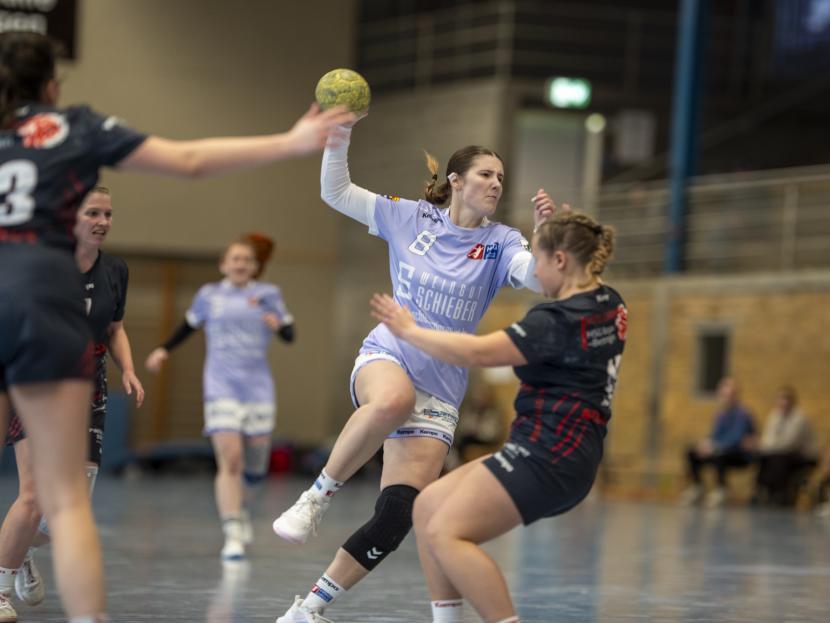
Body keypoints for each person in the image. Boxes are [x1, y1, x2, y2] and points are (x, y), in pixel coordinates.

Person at [0, 31, 351, 623]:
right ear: (53, 85)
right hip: (43, 304)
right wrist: (292, 141)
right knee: (64, 501)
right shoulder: (76, 127)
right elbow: (190, 161)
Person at [271, 109, 560, 623]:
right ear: (456, 180)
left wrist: (543, 236)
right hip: (389, 353)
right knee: (392, 399)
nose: (496, 183)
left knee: (398, 516)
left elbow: (540, 281)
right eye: (486, 174)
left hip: (442, 383)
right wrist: (340, 137)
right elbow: (336, 193)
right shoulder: (410, 217)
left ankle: (308, 609)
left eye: (500, 177)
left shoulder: (501, 242)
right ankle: (315, 498)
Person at [369, 212, 625, 623]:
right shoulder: (610, 303)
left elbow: (476, 353)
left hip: (548, 459)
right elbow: (576, 255)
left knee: (446, 533)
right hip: (561, 453)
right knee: (428, 506)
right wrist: (554, 224)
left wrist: (409, 332)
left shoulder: (553, 322)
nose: (533, 272)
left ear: (560, 260)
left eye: (538, 260)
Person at [0, 186, 144, 619]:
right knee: (34, 495)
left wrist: (128, 369)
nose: (102, 222)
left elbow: (115, 327)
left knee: (64, 511)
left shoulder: (115, 270)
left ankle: (21, 550)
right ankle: (1, 585)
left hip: (87, 384)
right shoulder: (40, 265)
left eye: (108, 214)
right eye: (92, 213)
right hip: (37, 377)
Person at [145, 233, 294, 561]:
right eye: (235, 259)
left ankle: (243, 507)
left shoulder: (267, 294)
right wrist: (163, 350)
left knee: (254, 469)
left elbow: (289, 334)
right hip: (220, 386)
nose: (241, 264)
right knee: (230, 459)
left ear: (255, 266)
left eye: (247, 260)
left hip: (257, 389)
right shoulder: (209, 295)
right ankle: (232, 531)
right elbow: (188, 326)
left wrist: (277, 326)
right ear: (224, 264)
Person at [680, 377, 756, 508]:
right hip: (719, 449)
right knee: (692, 452)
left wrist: (714, 446)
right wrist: (706, 444)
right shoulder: (721, 414)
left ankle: (722, 489)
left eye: (728, 395)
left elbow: (736, 438)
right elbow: (715, 435)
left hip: (738, 453)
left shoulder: (742, 414)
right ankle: (697, 487)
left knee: (719, 454)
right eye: (723, 395)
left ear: (735, 396)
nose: (725, 398)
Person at [753, 386, 816, 506]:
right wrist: (765, 446)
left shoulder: (799, 418)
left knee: (778, 458)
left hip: (803, 455)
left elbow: (789, 443)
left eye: (786, 399)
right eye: (781, 399)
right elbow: (767, 438)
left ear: (792, 401)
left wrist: (766, 446)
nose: (783, 402)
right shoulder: (774, 416)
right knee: (763, 457)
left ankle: (780, 493)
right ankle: (763, 490)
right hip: (779, 453)